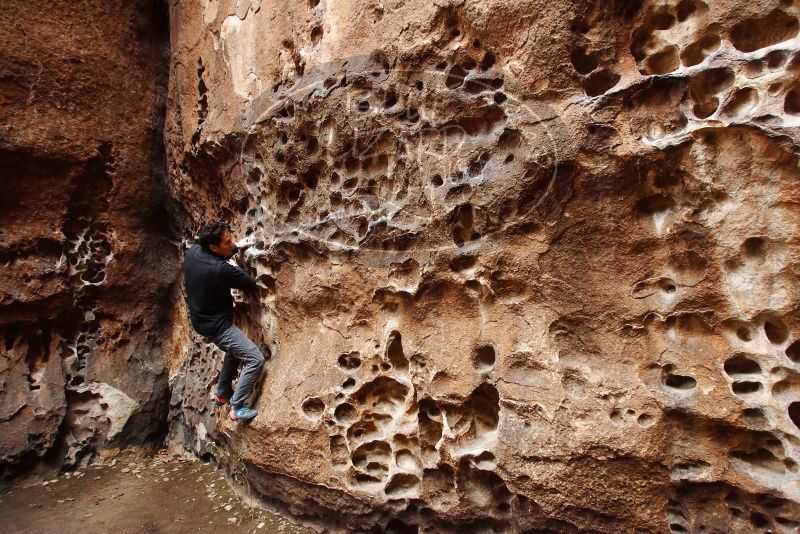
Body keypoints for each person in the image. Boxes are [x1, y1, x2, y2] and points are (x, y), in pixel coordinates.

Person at [183, 220, 264, 421]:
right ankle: (237, 406)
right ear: (213, 247)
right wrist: (236, 261)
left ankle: (222, 392)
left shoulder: (194, 252)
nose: (232, 243)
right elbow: (250, 284)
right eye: (228, 242)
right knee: (255, 359)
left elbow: (221, 253)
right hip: (218, 326)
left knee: (235, 349)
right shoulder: (219, 269)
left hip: (201, 319)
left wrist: (236, 248)